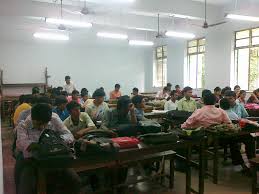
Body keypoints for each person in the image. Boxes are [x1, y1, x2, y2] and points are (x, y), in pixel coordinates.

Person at [15, 103, 80, 194]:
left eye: (44, 124)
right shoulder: (24, 125)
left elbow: (69, 136)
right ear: (33, 119)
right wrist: (38, 145)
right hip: (32, 160)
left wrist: (57, 141)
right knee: (26, 187)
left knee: (74, 180)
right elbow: (21, 144)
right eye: (38, 124)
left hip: (53, 158)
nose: (41, 127)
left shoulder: (54, 119)